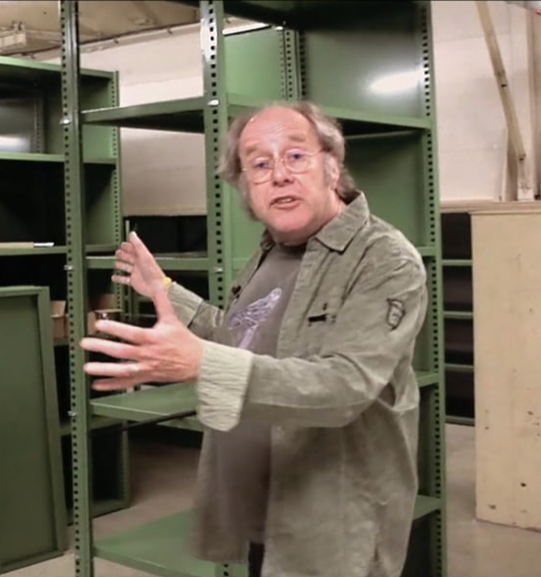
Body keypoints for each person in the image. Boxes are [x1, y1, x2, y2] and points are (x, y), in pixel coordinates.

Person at [79, 101, 428, 577]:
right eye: (259, 164)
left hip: (332, 527)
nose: (279, 175)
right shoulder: (273, 252)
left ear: (332, 166)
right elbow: (241, 336)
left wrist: (201, 364)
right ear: (244, 187)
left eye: (295, 156)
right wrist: (164, 290)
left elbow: (345, 385)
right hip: (266, 516)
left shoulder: (384, 259)